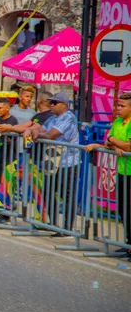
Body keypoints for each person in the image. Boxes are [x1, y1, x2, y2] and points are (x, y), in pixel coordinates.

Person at [24, 91, 80, 238]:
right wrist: (31, 130)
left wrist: (36, 134)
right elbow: (41, 128)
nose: (51, 105)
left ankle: (67, 228)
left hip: (68, 162)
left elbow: (50, 135)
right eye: (50, 103)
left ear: (64, 105)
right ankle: (54, 224)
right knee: (48, 190)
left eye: (54, 103)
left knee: (66, 194)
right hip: (54, 161)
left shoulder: (68, 117)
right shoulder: (53, 118)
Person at [85, 93, 131, 257]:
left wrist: (114, 140)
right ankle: (128, 243)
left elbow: (128, 147)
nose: (118, 109)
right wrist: (114, 144)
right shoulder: (117, 122)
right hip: (122, 171)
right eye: (118, 105)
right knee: (123, 210)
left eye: (123, 106)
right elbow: (107, 143)